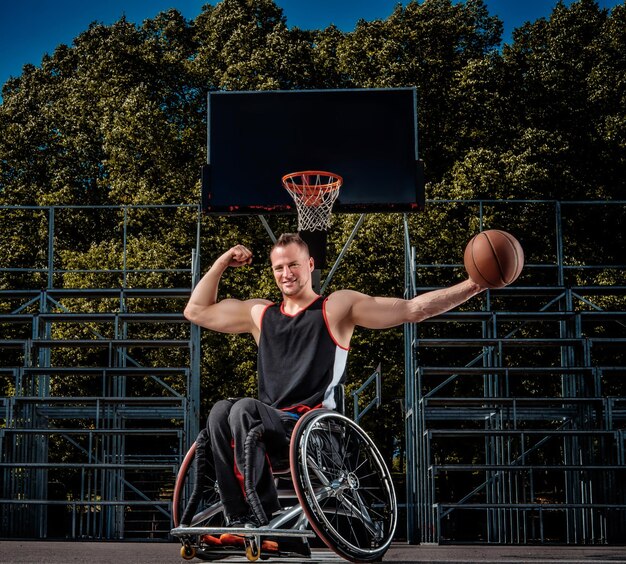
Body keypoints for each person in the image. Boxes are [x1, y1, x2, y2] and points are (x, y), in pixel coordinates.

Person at [182, 232, 486, 531]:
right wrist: (223, 260)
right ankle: (238, 517)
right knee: (221, 410)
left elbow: (412, 310)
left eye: (294, 265)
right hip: (268, 429)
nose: (286, 273)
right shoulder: (261, 315)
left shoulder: (336, 308)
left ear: (310, 264)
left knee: (243, 409)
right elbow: (195, 310)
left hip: (314, 432)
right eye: (279, 267)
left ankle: (264, 518)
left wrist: (474, 285)